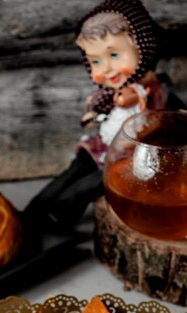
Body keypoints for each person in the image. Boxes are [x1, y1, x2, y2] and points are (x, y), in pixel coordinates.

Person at [22, 0, 165, 233]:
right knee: (72, 172)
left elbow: (149, 117)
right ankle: (32, 213)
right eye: (96, 61)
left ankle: (57, 218)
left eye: (114, 55)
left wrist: (129, 105)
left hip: (128, 159)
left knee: (85, 187)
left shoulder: (146, 90)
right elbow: (105, 107)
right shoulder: (108, 93)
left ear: (142, 50)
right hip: (103, 146)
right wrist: (94, 114)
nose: (106, 68)